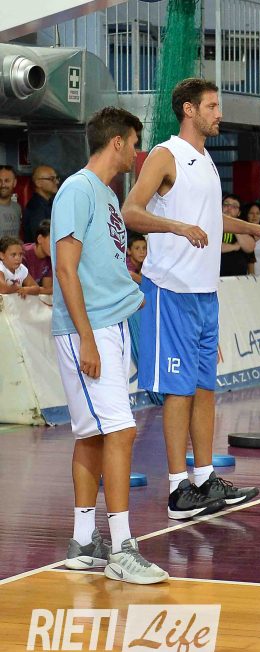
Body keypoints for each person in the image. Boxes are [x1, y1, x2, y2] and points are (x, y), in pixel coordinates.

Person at [123, 78, 260, 519]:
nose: (219, 113)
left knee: (205, 388)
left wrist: (256, 229)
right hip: (170, 290)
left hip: (206, 294)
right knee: (179, 391)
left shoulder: (206, 160)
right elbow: (131, 210)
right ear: (189, 110)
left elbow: (211, 219)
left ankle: (205, 479)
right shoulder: (165, 155)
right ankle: (178, 490)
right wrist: (177, 228)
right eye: (211, 106)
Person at [50, 106, 168, 584]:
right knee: (121, 431)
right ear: (117, 141)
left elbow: (102, 264)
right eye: (135, 143)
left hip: (108, 324)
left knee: (94, 435)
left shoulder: (107, 195)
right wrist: (86, 337)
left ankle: (83, 542)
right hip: (90, 329)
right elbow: (65, 269)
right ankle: (122, 549)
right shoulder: (77, 190)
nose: (138, 153)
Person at [220, 193, 256, 276]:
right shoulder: (211, 225)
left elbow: (250, 248)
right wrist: (235, 246)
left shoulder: (244, 228)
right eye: (226, 204)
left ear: (239, 213)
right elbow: (212, 247)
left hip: (239, 278)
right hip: (215, 277)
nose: (229, 208)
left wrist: (233, 224)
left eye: (234, 206)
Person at [24, 165, 59, 243]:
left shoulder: (51, 203)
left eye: (56, 178)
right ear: (38, 183)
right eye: (52, 179)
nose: (57, 182)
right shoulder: (35, 208)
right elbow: (41, 239)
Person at [22, 220, 53, 294]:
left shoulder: (51, 258)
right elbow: (20, 289)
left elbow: (48, 289)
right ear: (40, 239)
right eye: (51, 240)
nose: (54, 246)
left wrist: (34, 290)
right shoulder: (22, 254)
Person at [0, 164, 22, 240]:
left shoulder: (17, 208)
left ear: (14, 183)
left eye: (7, 181)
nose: (3, 185)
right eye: (0, 181)